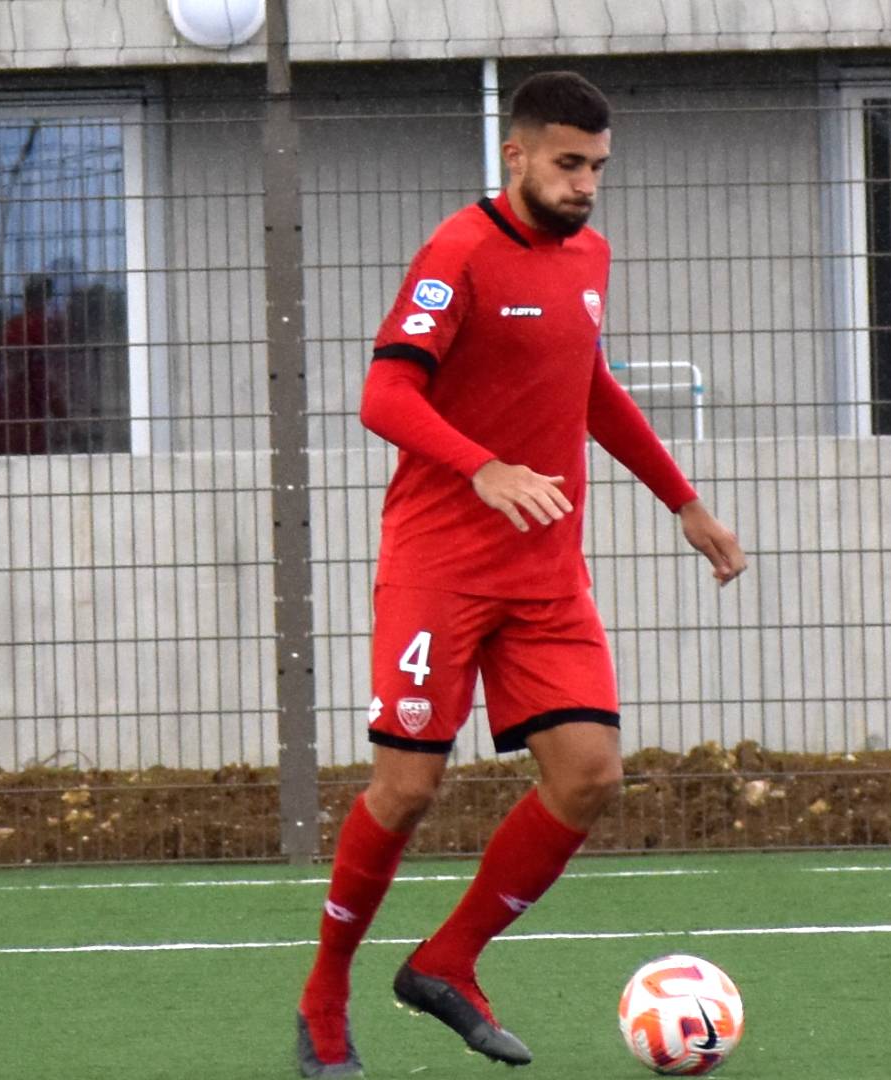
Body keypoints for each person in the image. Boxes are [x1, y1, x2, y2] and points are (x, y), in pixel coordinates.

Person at [293, 71, 749, 1078]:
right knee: (406, 789)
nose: (585, 184)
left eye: (598, 167)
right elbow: (383, 395)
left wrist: (685, 502)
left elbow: (590, 386)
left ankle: (446, 960)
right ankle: (324, 996)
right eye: (568, 163)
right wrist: (483, 467)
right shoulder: (457, 251)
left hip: (545, 575)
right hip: (440, 567)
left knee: (590, 775)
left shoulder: (591, 256)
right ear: (518, 154)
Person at [0, 273, 69, 455]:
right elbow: (41, 379)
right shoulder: (40, 327)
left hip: (7, 415)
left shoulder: (14, 326)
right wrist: (62, 416)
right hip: (24, 417)